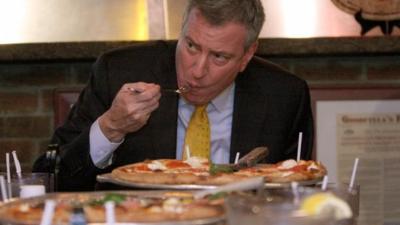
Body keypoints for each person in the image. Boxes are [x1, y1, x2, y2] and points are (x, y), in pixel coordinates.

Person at [33, 0, 314, 191]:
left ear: (247, 56)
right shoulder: (118, 71)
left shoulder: (285, 96)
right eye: (191, 46)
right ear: (181, 29)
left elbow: (296, 195)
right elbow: (49, 179)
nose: (198, 70)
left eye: (219, 56)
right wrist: (111, 128)